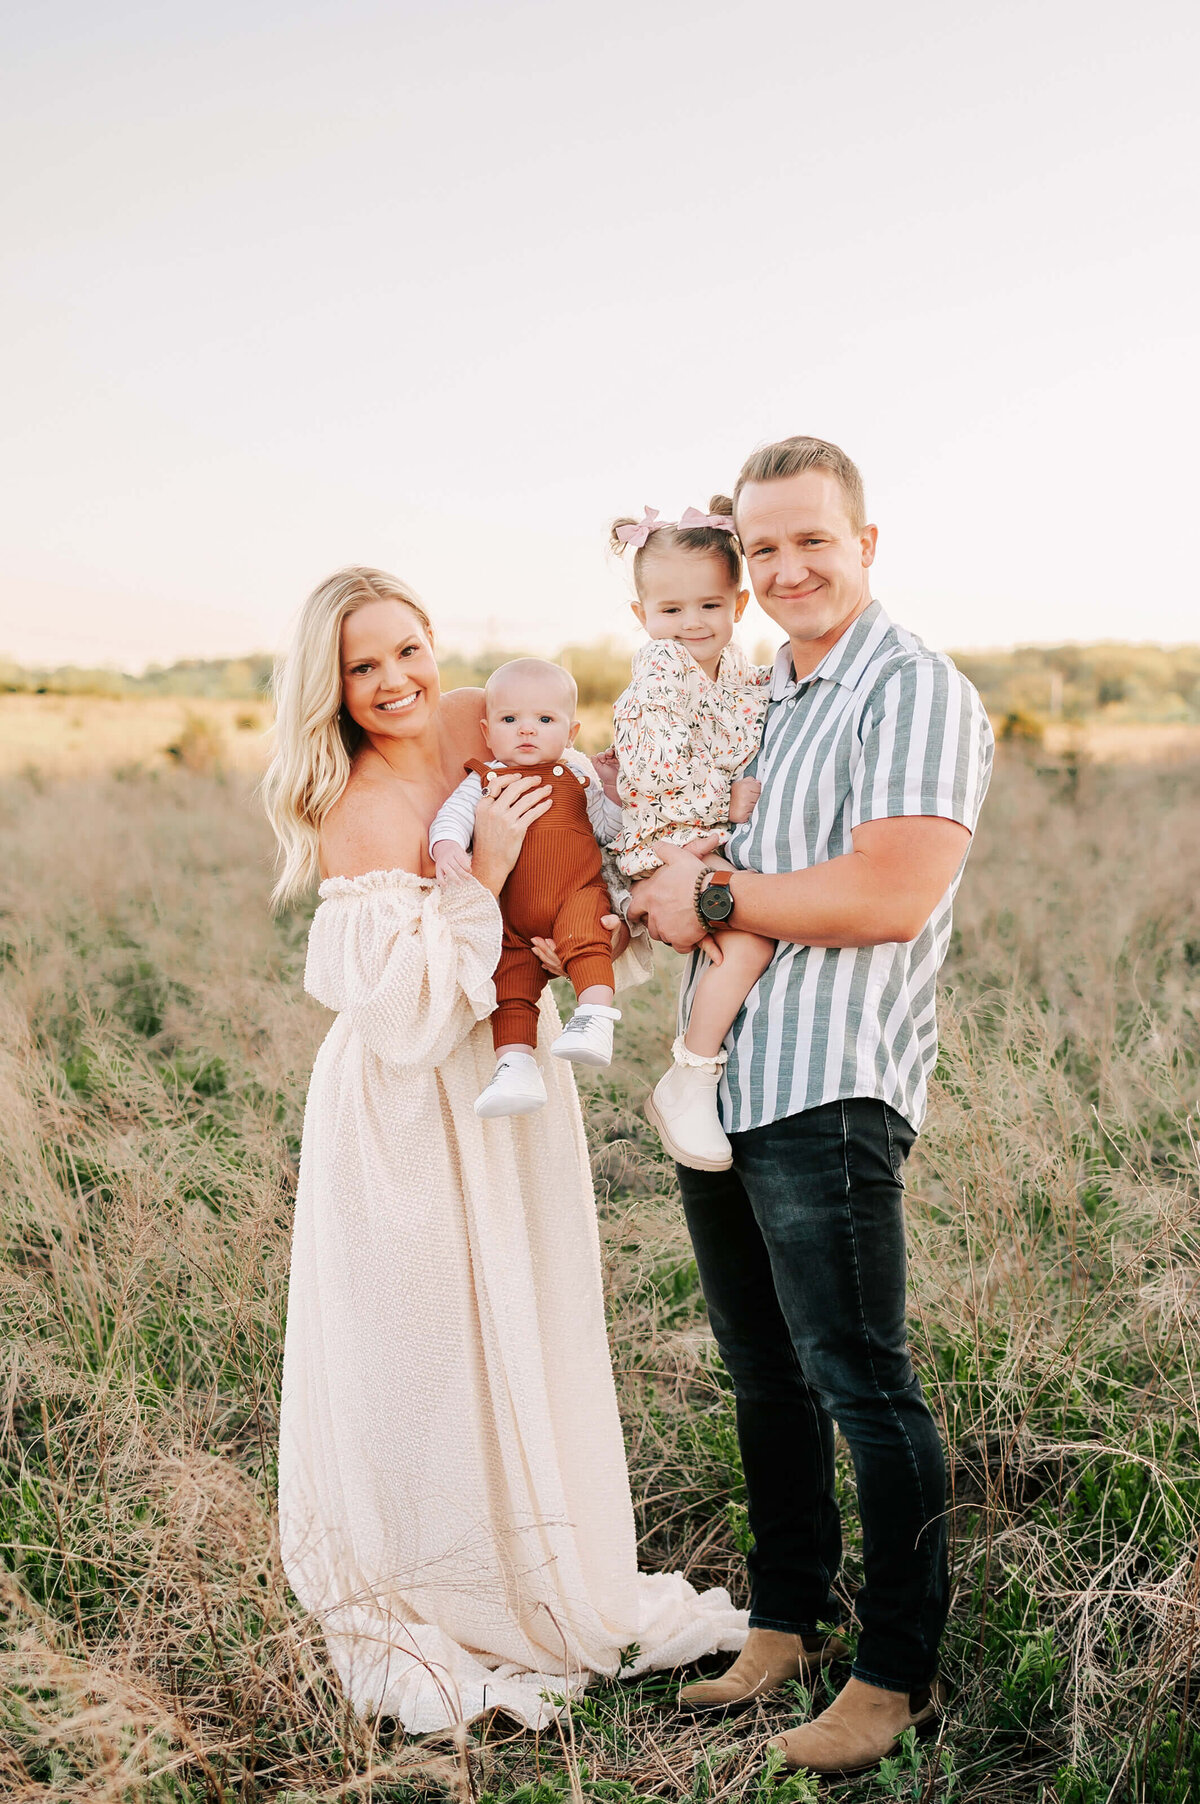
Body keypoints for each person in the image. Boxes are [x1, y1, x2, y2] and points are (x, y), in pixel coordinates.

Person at [261, 567, 746, 1735]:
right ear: (327, 689)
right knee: (422, 1348)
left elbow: (595, 784)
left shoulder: (490, 714)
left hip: (513, 1089)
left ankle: (547, 1565)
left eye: (407, 649)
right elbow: (410, 1016)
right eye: (361, 666)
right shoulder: (358, 805)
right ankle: (442, 1587)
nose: (396, 682)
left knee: (526, 1318)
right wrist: (475, 879)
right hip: (412, 1104)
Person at [628, 440, 994, 1776]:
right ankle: (783, 1623)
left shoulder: (912, 689)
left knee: (859, 1378)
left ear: (867, 541)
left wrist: (711, 901)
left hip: (832, 1082)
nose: (785, 569)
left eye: (811, 542)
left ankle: (894, 1674)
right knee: (759, 1367)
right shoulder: (759, 694)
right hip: (726, 1077)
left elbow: (890, 891)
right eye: (762, 547)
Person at [602, 502, 775, 1170]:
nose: (691, 624)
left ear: (739, 604)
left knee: (747, 933)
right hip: (666, 837)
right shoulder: (658, 677)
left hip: (703, 832)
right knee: (749, 934)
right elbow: (655, 770)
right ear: (641, 615)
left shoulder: (734, 669)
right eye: (671, 610)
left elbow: (754, 703)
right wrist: (725, 801)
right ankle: (691, 1076)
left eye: (709, 605)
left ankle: (703, 1065)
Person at [429, 657, 624, 1118]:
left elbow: (608, 830)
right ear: (487, 729)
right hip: (509, 913)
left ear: (571, 733)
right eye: (510, 719)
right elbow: (452, 816)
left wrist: (613, 790)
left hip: (573, 894)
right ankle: (514, 1066)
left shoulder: (579, 777)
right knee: (509, 985)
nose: (527, 730)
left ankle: (595, 1018)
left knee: (587, 937)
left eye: (544, 719)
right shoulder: (484, 778)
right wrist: (448, 846)